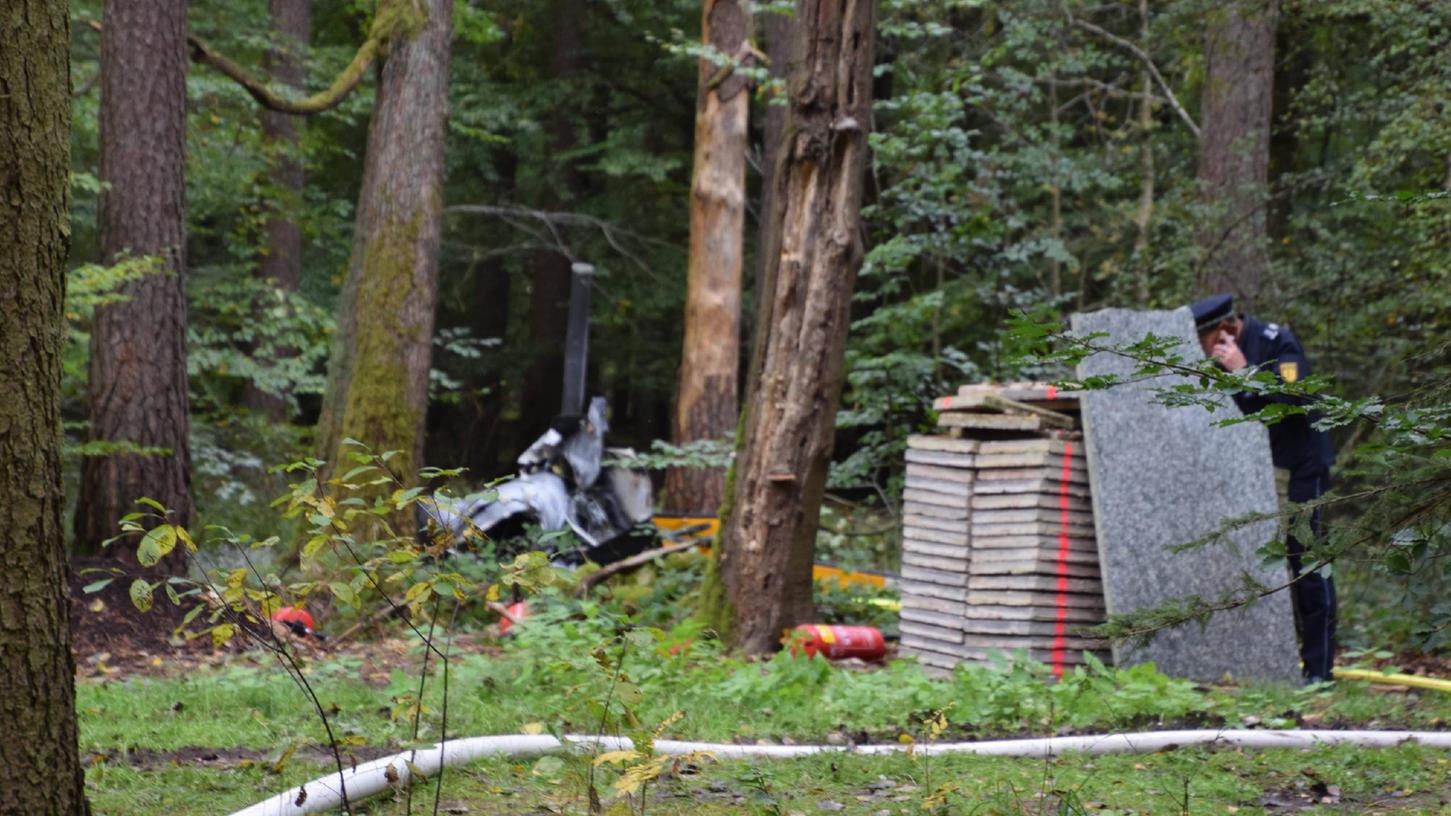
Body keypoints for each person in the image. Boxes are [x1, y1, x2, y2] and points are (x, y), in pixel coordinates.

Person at [1190, 294, 1337, 683]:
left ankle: (1320, 674)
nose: (1207, 352)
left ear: (1225, 330)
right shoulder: (1227, 359)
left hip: (1307, 463)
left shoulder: (1277, 342)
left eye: (1206, 342)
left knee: (1308, 560)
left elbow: (1298, 394)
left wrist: (1245, 372)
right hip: (1271, 467)